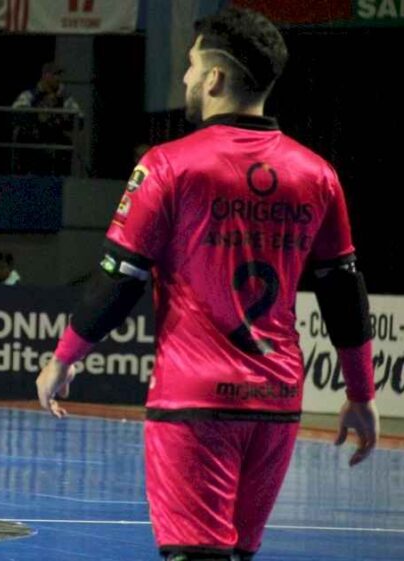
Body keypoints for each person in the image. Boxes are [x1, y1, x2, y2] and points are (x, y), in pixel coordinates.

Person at [34, 8, 379, 561]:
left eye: (192, 67)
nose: (188, 79)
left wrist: (65, 357)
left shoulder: (170, 166)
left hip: (193, 404)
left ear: (216, 78)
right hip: (275, 405)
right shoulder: (317, 175)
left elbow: (119, 277)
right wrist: (361, 394)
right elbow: (343, 289)